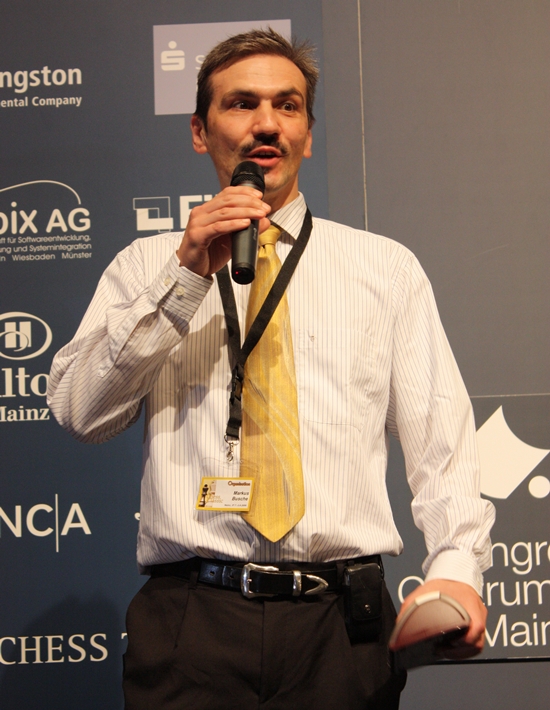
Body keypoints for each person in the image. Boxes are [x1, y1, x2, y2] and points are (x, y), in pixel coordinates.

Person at [48, 28, 495, 710]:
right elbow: (81, 412)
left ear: (307, 135)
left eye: (287, 105)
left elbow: (444, 443)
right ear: (200, 131)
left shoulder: (384, 269)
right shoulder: (145, 267)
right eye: (241, 103)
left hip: (341, 629)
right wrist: (184, 277)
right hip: (191, 624)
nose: (266, 123)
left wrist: (457, 569)